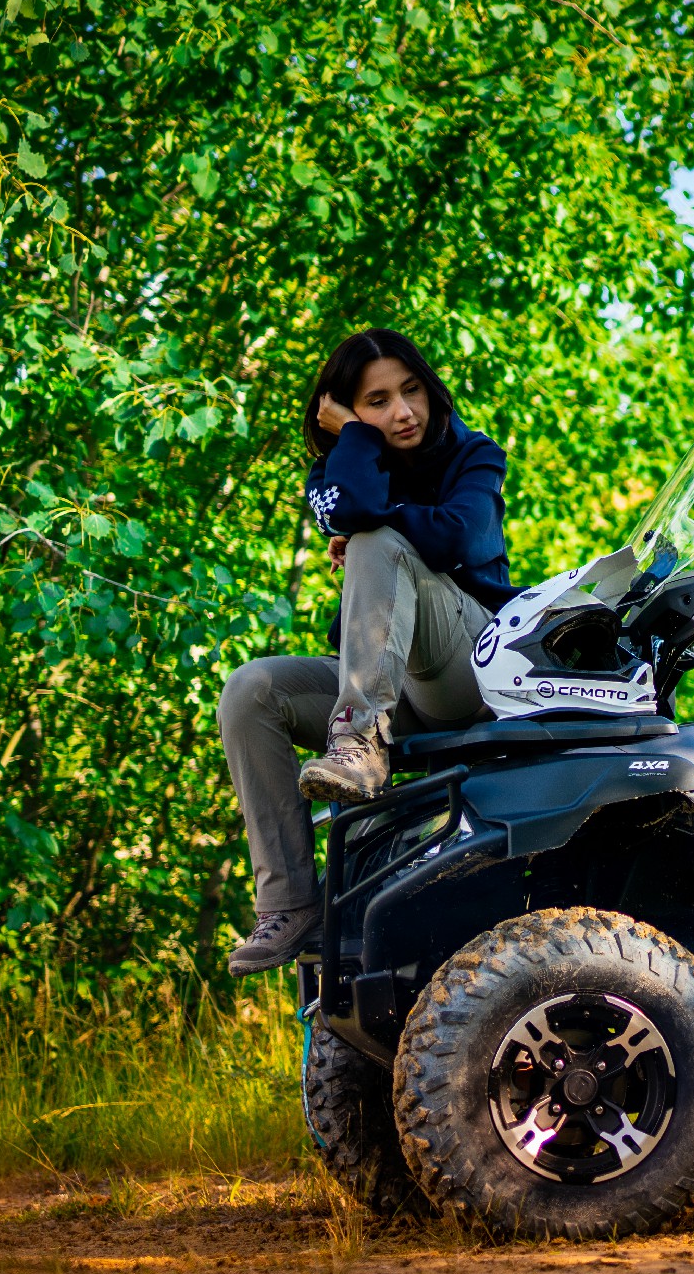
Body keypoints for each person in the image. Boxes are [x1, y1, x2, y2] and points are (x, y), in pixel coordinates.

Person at [217, 330, 516, 978]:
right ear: (346, 415)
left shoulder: (475, 454)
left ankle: (357, 743)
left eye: (411, 391)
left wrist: (376, 528)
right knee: (251, 691)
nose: (403, 412)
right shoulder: (339, 467)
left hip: (470, 669)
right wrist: (356, 440)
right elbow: (349, 505)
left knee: (376, 539)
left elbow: (454, 538)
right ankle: (292, 905)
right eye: (376, 401)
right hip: (393, 681)